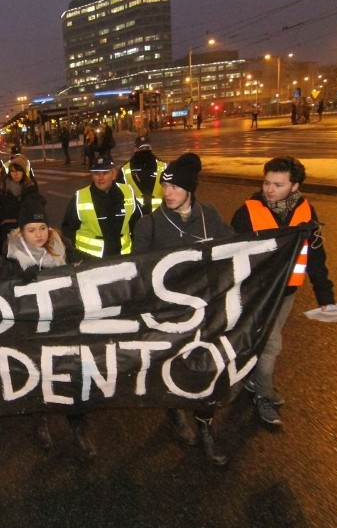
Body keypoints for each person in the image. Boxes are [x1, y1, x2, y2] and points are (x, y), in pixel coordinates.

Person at [131, 152, 233, 466]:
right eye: (165, 185)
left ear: (190, 189)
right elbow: (137, 269)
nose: (168, 192)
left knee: (206, 368)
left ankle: (206, 426)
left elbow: (235, 249)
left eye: (175, 186)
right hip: (168, 314)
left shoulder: (210, 216)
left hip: (205, 310)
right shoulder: (149, 224)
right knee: (173, 366)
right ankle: (174, 411)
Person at [230, 156, 336, 426]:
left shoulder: (305, 211)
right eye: (266, 182)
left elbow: (315, 255)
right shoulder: (247, 212)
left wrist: (325, 295)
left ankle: (250, 380)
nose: (269, 190)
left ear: (295, 186)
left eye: (278, 184)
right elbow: (230, 256)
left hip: (287, 292)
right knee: (272, 345)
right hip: (258, 294)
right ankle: (264, 395)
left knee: (262, 342)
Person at [0, 198, 94, 457]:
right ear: (21, 231)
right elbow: (1, 293)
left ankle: (78, 428)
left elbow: (87, 266)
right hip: (33, 329)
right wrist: (19, 281)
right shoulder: (12, 255)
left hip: (63, 323)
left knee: (73, 374)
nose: (39, 234)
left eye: (42, 228)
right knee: (39, 374)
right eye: (31, 230)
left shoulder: (63, 246)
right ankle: (40, 420)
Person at [61, 155, 139, 261]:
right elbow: (68, 231)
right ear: (92, 175)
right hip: (90, 262)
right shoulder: (80, 197)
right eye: (96, 173)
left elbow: (138, 225)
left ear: (114, 174)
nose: (100, 178)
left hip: (122, 259)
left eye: (105, 173)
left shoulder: (127, 192)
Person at [117, 137, 166, 216]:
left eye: (147, 147)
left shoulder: (163, 166)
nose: (144, 150)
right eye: (141, 148)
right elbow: (119, 195)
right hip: (136, 217)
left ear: (151, 148)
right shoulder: (124, 169)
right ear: (135, 149)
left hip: (160, 216)